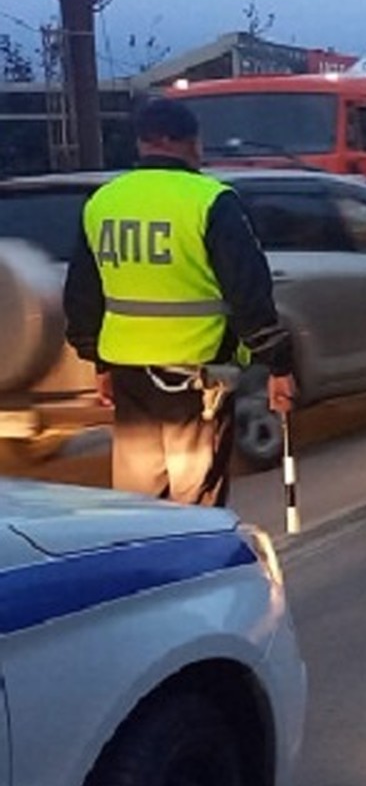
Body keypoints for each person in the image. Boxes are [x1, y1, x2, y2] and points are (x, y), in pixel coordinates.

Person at [64, 97, 294, 506]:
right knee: (197, 499)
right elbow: (248, 290)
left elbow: (83, 291)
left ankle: (144, 569)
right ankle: (194, 569)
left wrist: (96, 360)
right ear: (185, 142)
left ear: (143, 144)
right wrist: (277, 364)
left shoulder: (104, 201)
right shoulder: (210, 200)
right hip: (196, 374)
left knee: (139, 500)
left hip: (129, 373)